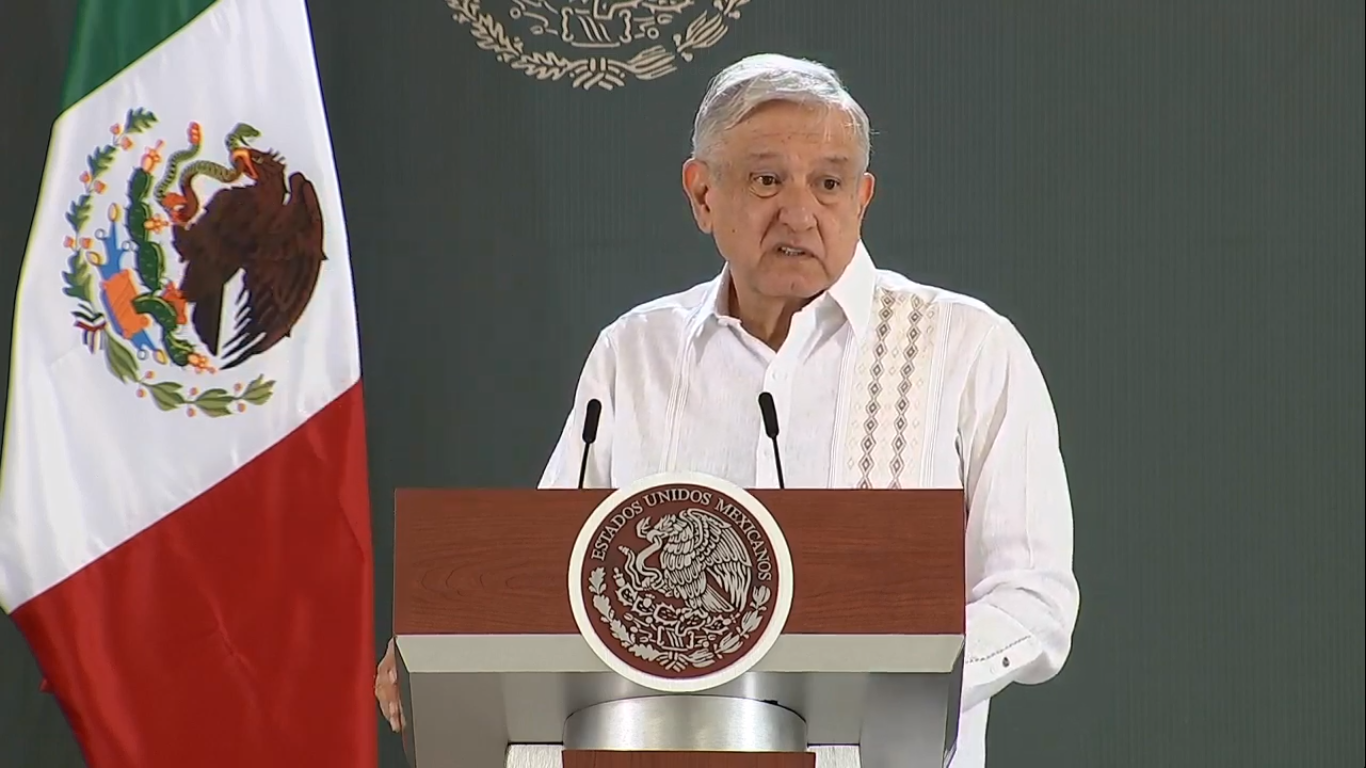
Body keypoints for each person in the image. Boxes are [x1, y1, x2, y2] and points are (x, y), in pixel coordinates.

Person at [374, 53, 1079, 767]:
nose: (799, 213)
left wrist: (894, 674)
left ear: (863, 198)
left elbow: (1034, 601)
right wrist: (445, 648)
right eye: (767, 180)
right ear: (703, 194)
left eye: (829, 183)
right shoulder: (634, 352)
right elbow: (552, 586)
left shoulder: (968, 348)